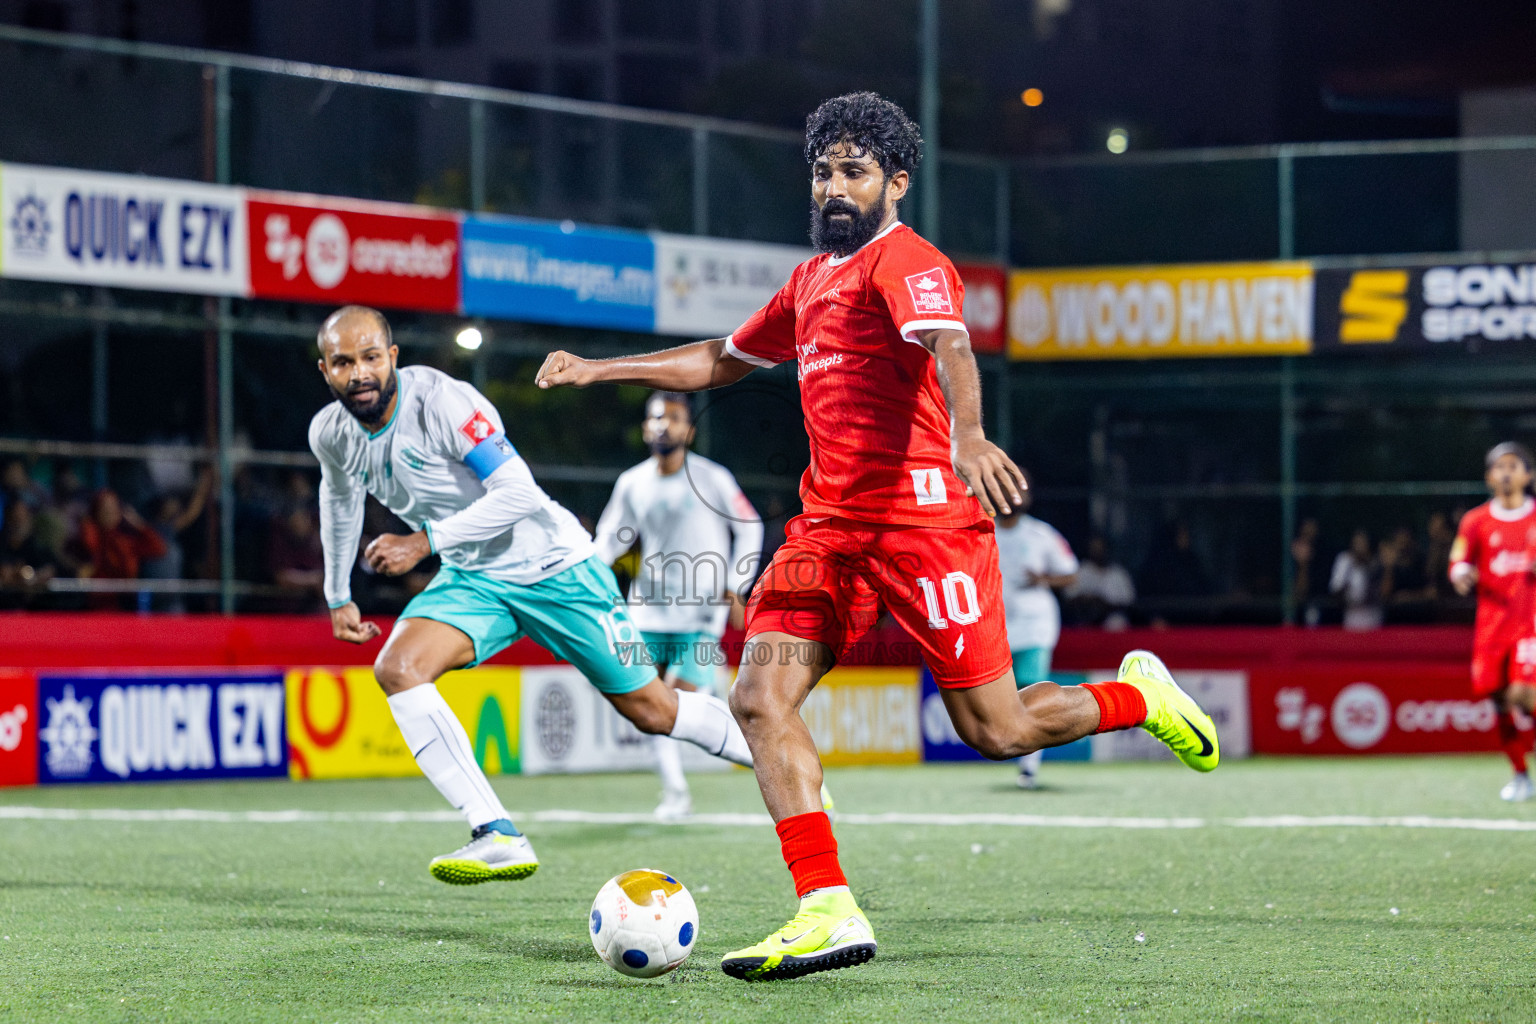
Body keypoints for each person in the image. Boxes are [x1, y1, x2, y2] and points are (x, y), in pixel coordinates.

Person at [536, 91, 1220, 982]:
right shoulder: (810, 279)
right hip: (830, 529)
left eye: (853, 171)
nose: (832, 187)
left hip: (927, 526)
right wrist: (603, 369)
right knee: (758, 699)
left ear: (894, 182)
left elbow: (950, 346)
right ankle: (826, 907)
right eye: (822, 171)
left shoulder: (907, 259)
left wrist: (969, 437)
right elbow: (723, 359)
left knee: (998, 729)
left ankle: (1141, 699)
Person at [309, 305, 760, 885]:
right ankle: (495, 833)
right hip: (476, 577)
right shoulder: (332, 433)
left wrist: (426, 541)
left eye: (371, 357)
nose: (359, 373)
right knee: (398, 667)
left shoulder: (444, 402)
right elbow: (338, 501)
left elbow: (518, 492)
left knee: (653, 710)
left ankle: (778, 758)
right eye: (343, 362)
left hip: (556, 566)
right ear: (326, 370)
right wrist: (336, 591)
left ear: (392, 357)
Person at [594, 391, 766, 820]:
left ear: (689, 430)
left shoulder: (711, 478)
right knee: (647, 704)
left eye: (673, 418)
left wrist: (735, 585)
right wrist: (584, 581)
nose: (663, 425)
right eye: (656, 417)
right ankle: (675, 792)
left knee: (684, 701)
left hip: (700, 611)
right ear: (644, 428)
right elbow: (610, 542)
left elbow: (750, 527)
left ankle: (784, 767)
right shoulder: (631, 483)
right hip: (646, 611)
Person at [1449, 442, 1536, 802]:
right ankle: (1520, 775)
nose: (1506, 472)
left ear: (1527, 475)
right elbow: (1458, 560)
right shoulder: (1475, 521)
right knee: (1499, 701)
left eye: (1513, 466)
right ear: (1488, 477)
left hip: (1530, 623)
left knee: (1523, 694)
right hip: (1491, 627)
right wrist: (1460, 574)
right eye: (1499, 467)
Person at [993, 478, 1078, 789]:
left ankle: (1029, 766)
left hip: (1033, 626)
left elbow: (1070, 573)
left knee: (1034, 692)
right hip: (994, 626)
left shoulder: (1040, 534)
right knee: (1002, 698)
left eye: (1020, 487)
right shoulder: (981, 531)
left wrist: (1043, 578)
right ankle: (1014, 749)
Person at [73, 488, 168, 610]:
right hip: (97, 608)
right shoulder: (93, 535)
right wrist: (87, 520)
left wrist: (139, 524)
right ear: (97, 511)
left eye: (114, 508)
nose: (110, 512)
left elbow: (159, 548)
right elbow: (89, 543)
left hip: (126, 607)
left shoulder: (126, 541)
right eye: (105, 508)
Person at [1064, 534, 1136, 630]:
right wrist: (1088, 601)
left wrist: (1104, 605)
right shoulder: (1080, 571)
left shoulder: (1118, 573)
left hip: (1112, 620)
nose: (1098, 552)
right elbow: (1069, 598)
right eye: (1095, 549)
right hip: (1085, 620)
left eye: (1101, 548)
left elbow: (1129, 603)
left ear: (1107, 549)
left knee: (1117, 622)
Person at [1330, 529, 1383, 630]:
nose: (1359, 547)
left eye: (1362, 543)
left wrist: (1366, 566)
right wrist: (1350, 570)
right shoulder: (1344, 560)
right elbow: (1335, 590)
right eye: (1357, 543)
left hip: (1372, 615)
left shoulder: (1376, 563)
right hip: (1351, 614)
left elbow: (1378, 593)